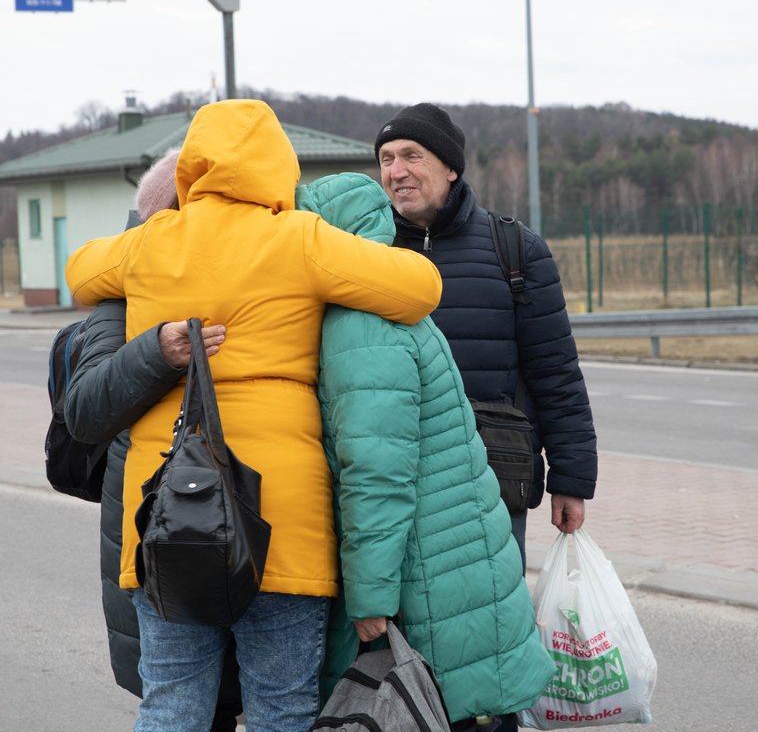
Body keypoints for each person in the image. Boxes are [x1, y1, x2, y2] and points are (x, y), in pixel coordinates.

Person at [65, 99, 442, 732]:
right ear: (277, 167)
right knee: (282, 707)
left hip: (170, 511)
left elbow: (80, 272)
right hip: (278, 520)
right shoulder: (299, 238)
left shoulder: (151, 241)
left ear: (193, 167)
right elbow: (420, 286)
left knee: (172, 704)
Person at [301, 173, 555, 727]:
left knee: (442, 710)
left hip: (428, 576)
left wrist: (369, 597)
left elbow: (378, 475)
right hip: (459, 557)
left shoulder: (359, 326)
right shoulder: (391, 305)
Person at [63, 150, 242, 732]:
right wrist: (157, 352)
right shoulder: (124, 281)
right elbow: (85, 409)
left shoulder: (249, 268)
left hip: (237, 525)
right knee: (188, 708)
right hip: (167, 535)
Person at [374, 102, 598, 556]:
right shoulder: (361, 251)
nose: (397, 171)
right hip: (390, 484)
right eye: (386, 158)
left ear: (451, 167)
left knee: (491, 622)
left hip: (491, 481)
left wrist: (570, 480)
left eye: (412, 155)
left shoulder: (515, 249)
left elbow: (555, 373)